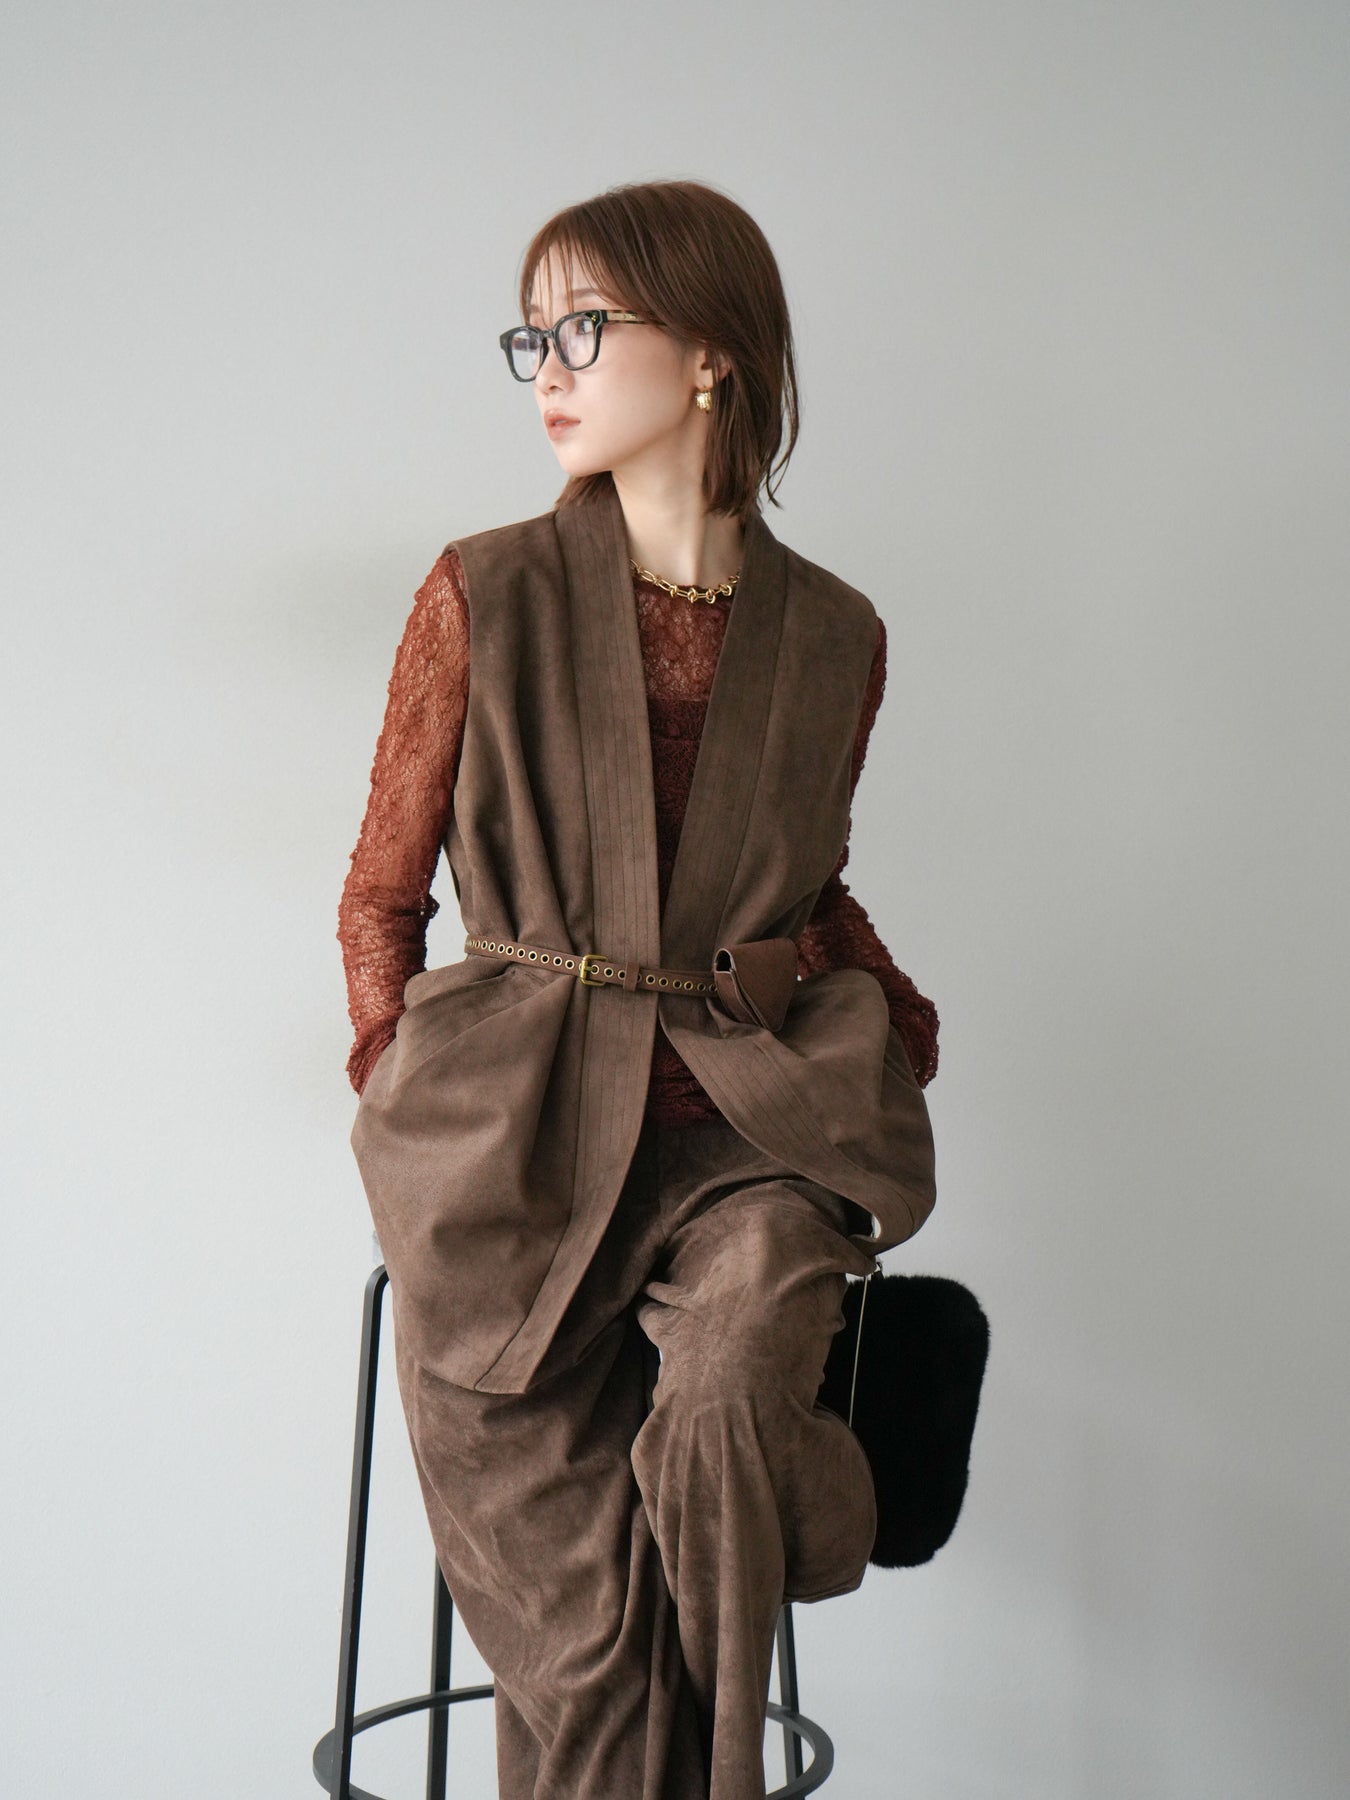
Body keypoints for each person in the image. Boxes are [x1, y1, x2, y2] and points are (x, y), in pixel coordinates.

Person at [337, 177, 939, 1800]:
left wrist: (896, 1028)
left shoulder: (837, 636)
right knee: (600, 1679)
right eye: (530, 335)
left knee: (732, 1387)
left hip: (740, 1139)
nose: (547, 368)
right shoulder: (486, 589)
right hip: (513, 1161)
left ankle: (803, 1492)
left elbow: (803, 888)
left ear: (710, 355)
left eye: (586, 327)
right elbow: (382, 896)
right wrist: (413, 1102)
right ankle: (806, 1528)